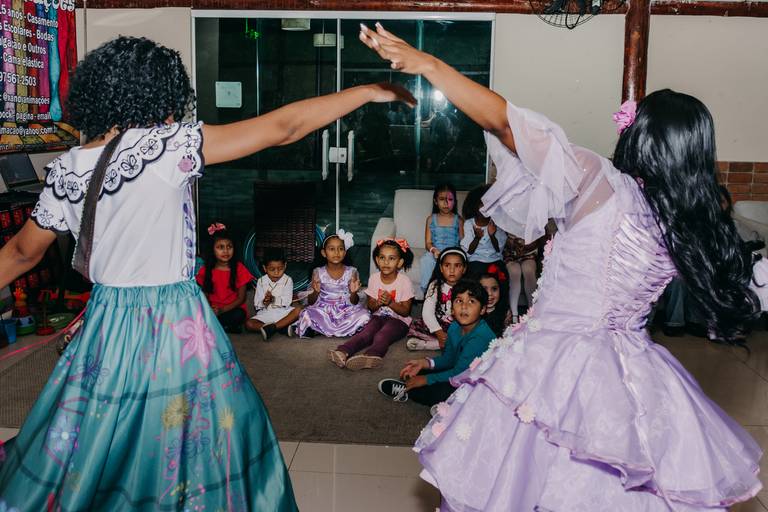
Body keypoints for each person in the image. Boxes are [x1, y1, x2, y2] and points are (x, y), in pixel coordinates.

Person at [360, 22, 764, 510]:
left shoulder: (600, 181)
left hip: (555, 362)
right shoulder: (688, 223)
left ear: (639, 135)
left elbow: (505, 124)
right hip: (635, 374)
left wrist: (430, 65)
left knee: (525, 482)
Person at [0, 36, 415, 510]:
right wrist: (365, 91)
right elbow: (283, 127)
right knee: (197, 436)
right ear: (157, 93)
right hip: (173, 321)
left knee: (99, 431)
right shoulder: (164, 146)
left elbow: (20, 253)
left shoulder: (67, 168)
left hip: (106, 322)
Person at [378, 279, 495, 407]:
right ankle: (413, 386)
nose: (464, 306)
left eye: (471, 301)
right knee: (421, 372)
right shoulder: (454, 327)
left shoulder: (480, 337)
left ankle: (409, 392)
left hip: (480, 383)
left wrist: (426, 380)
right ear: (452, 309)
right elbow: (449, 359)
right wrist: (425, 363)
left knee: (441, 391)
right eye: (459, 301)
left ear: (483, 309)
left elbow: (459, 374)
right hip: (462, 369)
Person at [329, 238, 415, 370]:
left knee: (382, 335)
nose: (386, 262)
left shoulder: (404, 281)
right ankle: (343, 351)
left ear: (400, 262)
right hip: (378, 317)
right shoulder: (374, 278)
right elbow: (371, 307)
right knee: (365, 333)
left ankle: (372, 355)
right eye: (382, 258)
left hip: (399, 321)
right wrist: (378, 303)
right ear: (377, 260)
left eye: (391, 258)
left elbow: (405, 312)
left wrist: (390, 302)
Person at [292, 230, 370, 338]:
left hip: (346, 309)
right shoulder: (318, 272)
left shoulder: (352, 271)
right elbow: (311, 302)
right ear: (324, 253)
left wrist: (353, 293)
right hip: (323, 309)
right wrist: (316, 292)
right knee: (307, 313)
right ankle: (319, 328)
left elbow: (354, 301)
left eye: (340, 249)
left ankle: (319, 329)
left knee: (365, 315)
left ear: (345, 252)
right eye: (332, 249)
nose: (336, 252)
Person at [196, 222, 253, 333]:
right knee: (199, 312)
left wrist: (222, 310)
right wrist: (210, 309)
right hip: (213, 310)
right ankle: (224, 326)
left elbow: (241, 298)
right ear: (212, 250)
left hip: (231, 309)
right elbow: (204, 295)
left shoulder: (239, 268)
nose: (226, 251)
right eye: (220, 247)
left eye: (229, 247)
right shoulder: (206, 270)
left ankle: (219, 326)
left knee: (239, 315)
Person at [407, 247, 468, 351]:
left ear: (464, 269)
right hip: (439, 323)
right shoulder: (435, 285)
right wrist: (439, 332)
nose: (452, 270)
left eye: (457, 265)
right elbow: (428, 312)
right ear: (441, 268)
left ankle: (427, 345)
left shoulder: (468, 287)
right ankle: (446, 342)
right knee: (418, 326)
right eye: (447, 265)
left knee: (467, 336)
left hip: (459, 323)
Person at [245, 247, 301, 341]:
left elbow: (287, 301)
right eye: (272, 269)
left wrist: (273, 299)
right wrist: (265, 301)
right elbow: (257, 304)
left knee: (299, 310)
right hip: (266, 313)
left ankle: (272, 328)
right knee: (249, 324)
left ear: (285, 266)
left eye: (280, 268)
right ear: (265, 268)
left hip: (283, 313)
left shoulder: (288, 280)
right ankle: (281, 328)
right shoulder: (261, 281)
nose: (276, 273)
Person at [419, 183, 463, 294]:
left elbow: (463, 242)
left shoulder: (459, 220)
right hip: (436, 252)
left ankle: (453, 292)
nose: (446, 203)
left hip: (453, 252)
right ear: (435, 201)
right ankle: (428, 291)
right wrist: (433, 250)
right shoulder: (431, 219)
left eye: (450, 199)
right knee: (426, 260)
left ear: (455, 201)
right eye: (442, 199)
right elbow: (428, 243)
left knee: (454, 262)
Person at [460, 184, 508, 278]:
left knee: (501, 275)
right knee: (476, 272)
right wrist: (477, 238)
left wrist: (492, 236)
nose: (485, 207)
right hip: (475, 260)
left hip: (494, 260)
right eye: (482, 204)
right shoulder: (469, 224)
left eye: (489, 204)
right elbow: (469, 251)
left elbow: (498, 250)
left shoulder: (496, 223)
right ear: (474, 206)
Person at [504, 233, 544, 323]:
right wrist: (514, 245)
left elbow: (539, 239)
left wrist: (524, 247)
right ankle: (514, 314)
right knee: (514, 272)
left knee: (528, 270)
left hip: (528, 252)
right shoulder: (507, 224)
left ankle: (532, 311)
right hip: (510, 253)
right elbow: (502, 239)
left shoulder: (533, 224)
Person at [479, 267, 509, 336]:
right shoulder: (473, 312)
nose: (489, 294)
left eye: (494, 289)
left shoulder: (505, 313)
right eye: (484, 289)